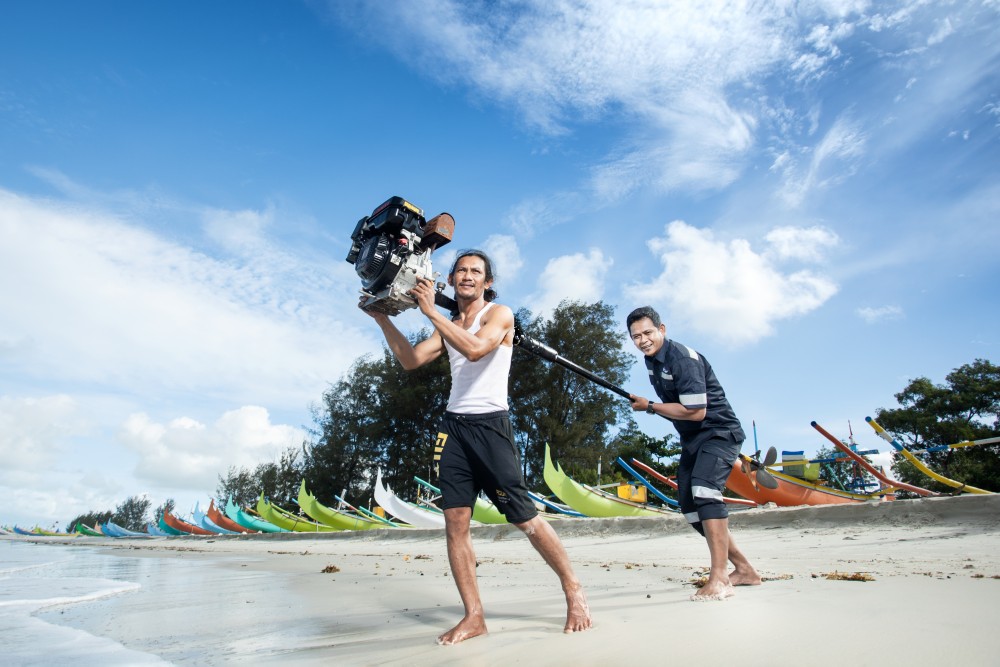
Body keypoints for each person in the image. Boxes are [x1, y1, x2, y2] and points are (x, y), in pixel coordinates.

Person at [365, 249, 592, 644]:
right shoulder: (448, 322)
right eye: (461, 271)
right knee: (455, 522)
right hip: (454, 429)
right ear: (451, 280)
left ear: (487, 282)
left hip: (491, 427)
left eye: (476, 272)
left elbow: (475, 349)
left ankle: (573, 588)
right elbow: (411, 359)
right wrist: (382, 318)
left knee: (524, 518)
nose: (467, 276)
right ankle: (474, 616)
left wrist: (430, 311)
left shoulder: (499, 315)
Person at [625, 306, 761, 600]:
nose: (643, 340)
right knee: (689, 505)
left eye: (648, 332)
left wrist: (649, 406)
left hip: (718, 432)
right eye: (636, 336)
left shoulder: (682, 359)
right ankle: (744, 569)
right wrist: (649, 405)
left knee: (705, 491)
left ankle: (719, 578)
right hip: (693, 440)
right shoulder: (652, 362)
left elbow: (696, 412)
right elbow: (678, 411)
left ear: (662, 329)